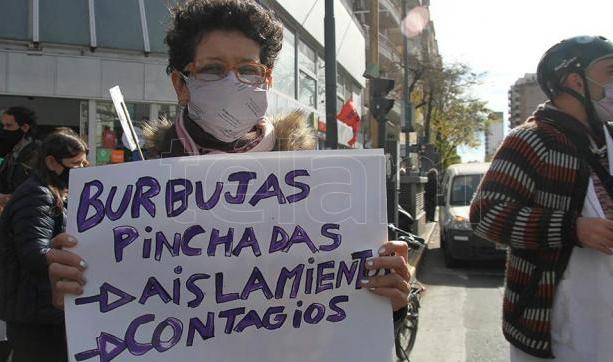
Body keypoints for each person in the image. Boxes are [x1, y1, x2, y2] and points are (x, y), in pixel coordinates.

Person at [46, 0, 411, 341]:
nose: (232, 82)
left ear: (266, 81)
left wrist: (390, 305)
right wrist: (76, 290)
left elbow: (347, 328)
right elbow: (111, 323)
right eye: (213, 69)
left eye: (248, 70)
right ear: (181, 84)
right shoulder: (133, 196)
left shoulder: (325, 183)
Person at [470, 35, 613, 362]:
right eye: (612, 71)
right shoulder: (530, 142)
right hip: (557, 326)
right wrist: (572, 229)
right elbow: (485, 216)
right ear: (576, 80)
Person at [0, 128, 88, 362]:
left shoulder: (49, 192)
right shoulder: (37, 196)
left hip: (40, 310)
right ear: (52, 162)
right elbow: (32, 253)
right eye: (75, 163)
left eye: (84, 162)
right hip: (34, 313)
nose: (81, 169)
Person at [0, 106, 39, 212]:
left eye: (9, 126)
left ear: (25, 127)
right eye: (3, 126)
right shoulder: (10, 155)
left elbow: (37, 191)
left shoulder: (38, 154)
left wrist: (9, 198)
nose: (4, 130)